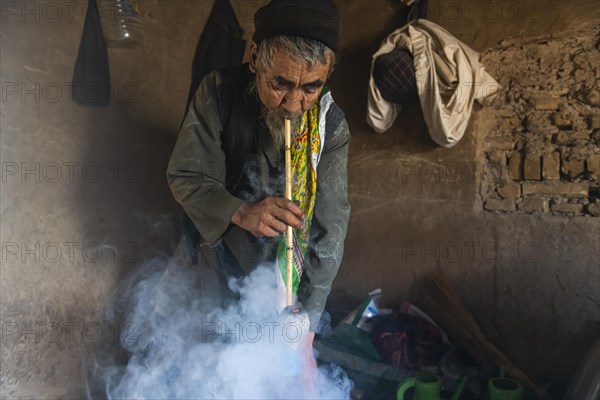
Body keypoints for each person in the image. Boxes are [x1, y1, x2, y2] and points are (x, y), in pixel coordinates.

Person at [166, 0, 350, 383]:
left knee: (283, 371)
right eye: (280, 84)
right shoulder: (217, 92)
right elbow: (186, 175)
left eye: (311, 87)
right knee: (223, 363)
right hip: (223, 254)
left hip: (291, 274)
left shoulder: (329, 124)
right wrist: (240, 211)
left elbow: (331, 227)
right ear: (255, 58)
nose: (294, 105)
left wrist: (307, 328)